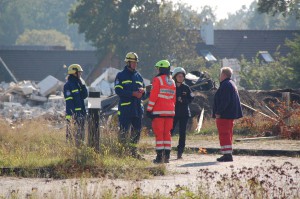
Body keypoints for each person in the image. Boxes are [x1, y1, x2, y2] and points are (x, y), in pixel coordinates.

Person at [114, 52, 145, 159]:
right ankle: (121, 153)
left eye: (136, 63)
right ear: (128, 62)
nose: (135, 64)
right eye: (133, 62)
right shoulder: (121, 75)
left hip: (137, 109)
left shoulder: (139, 76)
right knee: (123, 131)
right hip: (125, 109)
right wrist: (132, 93)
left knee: (136, 131)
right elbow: (118, 90)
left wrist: (142, 91)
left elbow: (144, 91)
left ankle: (133, 152)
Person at [146, 60, 176, 164]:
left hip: (159, 112)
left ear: (161, 68)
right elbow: (174, 98)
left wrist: (149, 109)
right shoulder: (172, 81)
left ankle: (159, 157)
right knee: (167, 134)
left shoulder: (157, 80)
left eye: (158, 68)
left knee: (159, 134)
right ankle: (167, 157)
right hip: (170, 112)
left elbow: (153, 96)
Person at [212, 67, 243, 162]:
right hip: (230, 114)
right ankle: (227, 153)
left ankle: (227, 155)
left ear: (224, 75)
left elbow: (224, 101)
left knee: (224, 134)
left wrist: (218, 112)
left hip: (224, 115)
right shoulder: (231, 83)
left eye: (220, 74)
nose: (219, 76)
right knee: (228, 134)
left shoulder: (225, 85)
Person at [171, 67, 194, 159]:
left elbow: (191, 98)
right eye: (179, 76)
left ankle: (180, 151)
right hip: (173, 113)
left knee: (182, 133)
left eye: (182, 76)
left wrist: (183, 100)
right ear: (175, 77)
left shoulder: (186, 88)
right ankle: (166, 150)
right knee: (170, 131)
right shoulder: (171, 87)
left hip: (184, 114)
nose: (180, 78)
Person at [63, 64, 88, 147]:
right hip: (73, 115)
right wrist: (72, 116)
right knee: (71, 136)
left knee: (81, 136)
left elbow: (85, 95)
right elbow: (69, 102)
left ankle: (80, 149)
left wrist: (83, 85)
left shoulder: (79, 84)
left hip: (81, 114)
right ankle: (70, 151)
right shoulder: (67, 85)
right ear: (74, 73)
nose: (80, 75)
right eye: (79, 73)